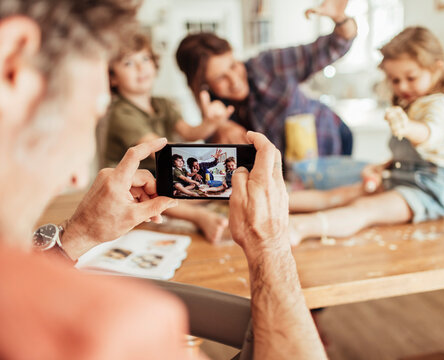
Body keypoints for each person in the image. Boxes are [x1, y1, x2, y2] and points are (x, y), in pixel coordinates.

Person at [0, 1, 327, 359]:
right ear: (13, 61)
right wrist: (270, 246)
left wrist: (76, 236)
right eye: (89, 115)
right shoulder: (110, 331)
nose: (78, 173)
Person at [288, 26, 444, 245]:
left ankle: (297, 227)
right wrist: (384, 167)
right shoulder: (412, 104)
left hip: (427, 192)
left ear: (437, 69)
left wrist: (408, 127)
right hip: (399, 178)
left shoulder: (440, 105)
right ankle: (272, 203)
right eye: (394, 80)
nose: (402, 86)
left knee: (364, 208)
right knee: (340, 195)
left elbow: (431, 134)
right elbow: (412, 158)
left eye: (411, 77)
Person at [175, 0, 357, 156]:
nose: (234, 80)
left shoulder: (267, 65)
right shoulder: (213, 110)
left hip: (330, 136)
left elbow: (335, 45)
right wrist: (218, 128)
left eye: (233, 65)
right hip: (290, 165)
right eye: (221, 78)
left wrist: (341, 18)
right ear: (204, 86)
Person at [104, 32, 233, 242]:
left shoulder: (163, 104)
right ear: (113, 77)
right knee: (152, 192)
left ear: (155, 64)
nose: (141, 67)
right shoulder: (121, 113)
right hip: (131, 181)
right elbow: (160, 151)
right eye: (128, 63)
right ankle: (198, 217)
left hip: (159, 172)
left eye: (145, 59)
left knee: (194, 186)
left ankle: (188, 203)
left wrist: (210, 123)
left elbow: (190, 132)